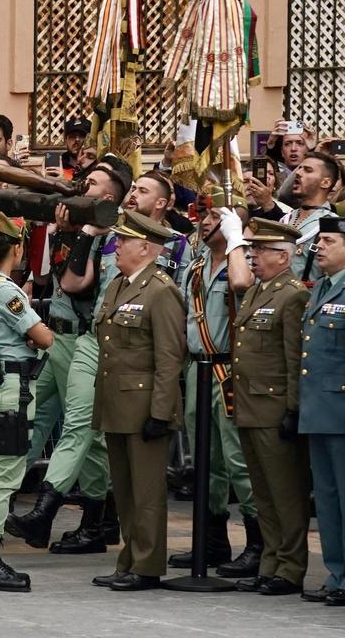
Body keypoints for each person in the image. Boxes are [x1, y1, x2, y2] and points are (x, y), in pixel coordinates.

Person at [5, 165, 130, 550]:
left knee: (83, 429)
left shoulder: (112, 238)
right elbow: (57, 277)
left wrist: (77, 234)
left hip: (86, 341)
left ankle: (74, 517)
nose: (79, 188)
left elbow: (76, 286)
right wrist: (66, 232)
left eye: (89, 184)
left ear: (108, 198)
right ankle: (91, 523)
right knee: (30, 408)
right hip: (61, 340)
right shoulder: (81, 230)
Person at [90, 210, 185, 591]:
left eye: (125, 240)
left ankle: (147, 565)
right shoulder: (118, 286)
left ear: (145, 248)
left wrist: (160, 412)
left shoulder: (161, 290)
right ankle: (129, 558)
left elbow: (169, 358)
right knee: (125, 490)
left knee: (146, 492)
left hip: (145, 406)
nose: (117, 246)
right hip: (117, 403)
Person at [167, 185, 258, 576]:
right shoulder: (197, 262)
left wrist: (236, 238)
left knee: (238, 459)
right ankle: (212, 540)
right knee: (207, 458)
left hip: (230, 369)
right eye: (202, 215)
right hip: (198, 367)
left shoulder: (245, 258)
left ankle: (257, 544)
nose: (204, 222)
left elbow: (241, 285)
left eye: (214, 216)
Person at [0, 213, 53, 592]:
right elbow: (44, 337)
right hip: (11, 386)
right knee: (3, 476)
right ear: (16, 249)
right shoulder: (6, 291)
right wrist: (36, 332)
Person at [228, 218, 311, 596]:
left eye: (261, 250)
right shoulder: (258, 292)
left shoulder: (292, 296)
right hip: (251, 406)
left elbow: (295, 359)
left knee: (286, 494)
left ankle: (290, 569)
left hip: (274, 408)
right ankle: (270, 562)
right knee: (263, 493)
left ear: (283, 256)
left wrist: (293, 409)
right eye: (252, 250)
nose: (253, 256)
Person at [299, 215, 345, 605]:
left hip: (341, 408)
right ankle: (337, 572)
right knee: (328, 499)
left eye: (329, 241)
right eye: (320, 241)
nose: (320, 248)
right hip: (318, 407)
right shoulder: (323, 288)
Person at [281, 151, 339, 286]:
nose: (298, 173)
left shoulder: (333, 225)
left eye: (308, 170)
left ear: (325, 182)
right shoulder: (285, 218)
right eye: (299, 168)